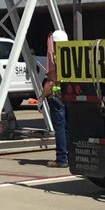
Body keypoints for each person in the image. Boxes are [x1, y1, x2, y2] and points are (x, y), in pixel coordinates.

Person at [42, 29, 69, 168]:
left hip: (56, 96)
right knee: (66, 128)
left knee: (59, 128)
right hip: (68, 95)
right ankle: (69, 156)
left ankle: (61, 159)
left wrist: (41, 98)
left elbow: (51, 81)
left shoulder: (55, 57)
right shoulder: (70, 55)